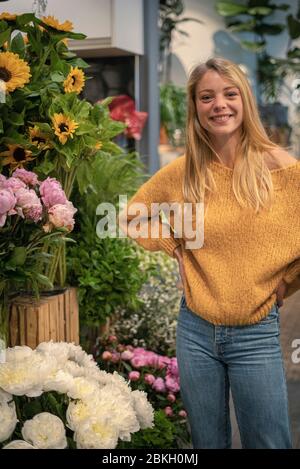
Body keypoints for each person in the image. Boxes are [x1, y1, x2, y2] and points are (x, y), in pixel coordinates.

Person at [118, 57, 300, 449]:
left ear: (244, 100)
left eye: (229, 94)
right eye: (207, 96)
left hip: (255, 331)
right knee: (206, 441)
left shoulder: (281, 170)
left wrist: (289, 281)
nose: (219, 104)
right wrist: (173, 244)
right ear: (196, 107)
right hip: (196, 329)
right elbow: (131, 216)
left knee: (268, 441)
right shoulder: (185, 172)